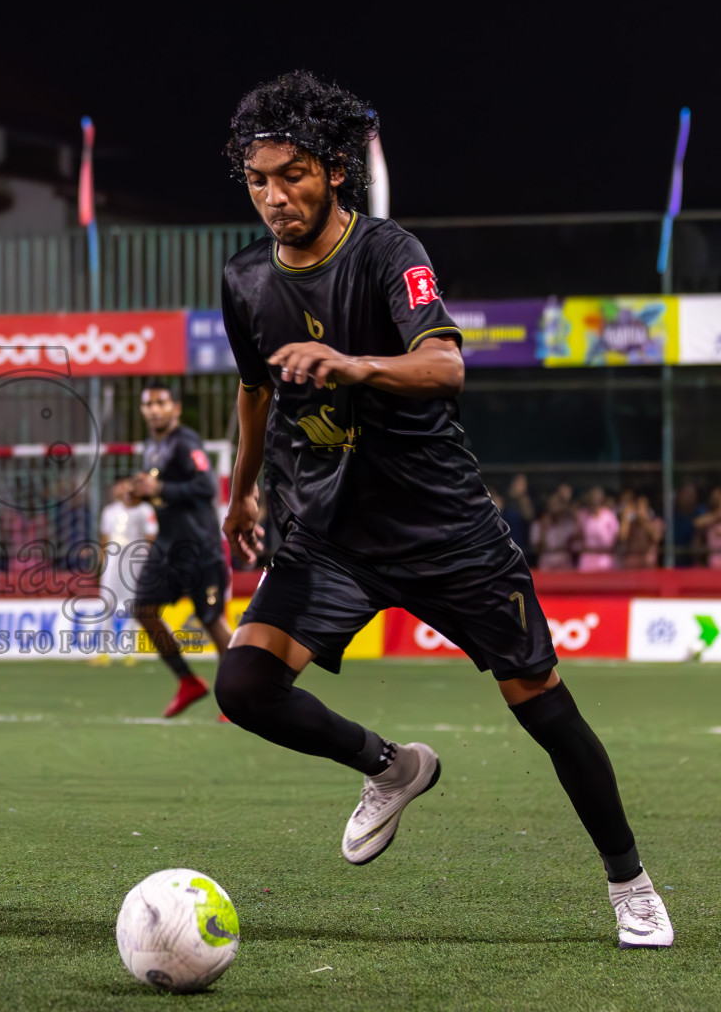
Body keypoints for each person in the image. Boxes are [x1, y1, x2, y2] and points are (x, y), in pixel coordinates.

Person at [214, 70, 671, 949]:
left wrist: (350, 363)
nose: (276, 196)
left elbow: (446, 368)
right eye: (259, 179)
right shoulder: (243, 279)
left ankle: (631, 883)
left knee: (542, 705)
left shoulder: (392, 253)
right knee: (244, 684)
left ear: (335, 169)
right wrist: (241, 491)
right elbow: (252, 389)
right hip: (328, 533)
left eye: (295, 173)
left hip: (443, 528)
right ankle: (391, 767)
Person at [128, 380, 233, 716]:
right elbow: (158, 489)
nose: (154, 410)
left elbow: (205, 486)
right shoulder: (151, 447)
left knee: (212, 620)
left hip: (199, 547)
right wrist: (137, 493)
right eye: (148, 404)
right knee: (143, 609)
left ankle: (239, 697)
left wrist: (160, 487)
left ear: (173, 407)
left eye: (161, 403)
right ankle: (188, 681)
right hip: (168, 547)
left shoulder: (186, 441)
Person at [89, 479, 158, 665]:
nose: (122, 489)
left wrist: (145, 559)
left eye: (126, 486)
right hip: (113, 561)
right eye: (119, 486)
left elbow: (151, 534)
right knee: (107, 602)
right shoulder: (109, 511)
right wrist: (101, 562)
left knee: (132, 604)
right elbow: (105, 537)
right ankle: (104, 650)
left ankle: (130, 650)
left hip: (133, 563)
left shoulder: (145, 510)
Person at [576, 487, 620, 572]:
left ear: (602, 500)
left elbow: (616, 534)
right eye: (592, 499)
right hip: (588, 558)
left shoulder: (608, 515)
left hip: (605, 558)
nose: (594, 501)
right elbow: (578, 535)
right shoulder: (583, 516)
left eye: (597, 499)